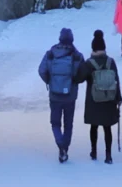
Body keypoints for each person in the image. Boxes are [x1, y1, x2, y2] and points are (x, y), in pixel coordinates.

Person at [38, 26, 85, 162]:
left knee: (55, 123)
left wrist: (50, 81)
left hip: (54, 95)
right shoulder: (77, 55)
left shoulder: (51, 53)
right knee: (68, 124)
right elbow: (83, 73)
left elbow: (41, 70)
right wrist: (75, 81)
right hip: (70, 96)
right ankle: (65, 147)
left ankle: (61, 145)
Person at [79, 29, 121, 164]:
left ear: (93, 48)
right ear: (104, 47)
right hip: (109, 99)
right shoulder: (111, 62)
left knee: (94, 126)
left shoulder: (89, 63)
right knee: (107, 127)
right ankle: (108, 155)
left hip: (94, 100)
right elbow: (116, 80)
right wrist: (118, 98)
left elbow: (79, 78)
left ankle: (94, 152)